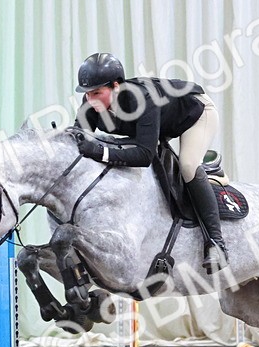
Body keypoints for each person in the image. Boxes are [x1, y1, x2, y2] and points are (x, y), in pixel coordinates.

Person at [72, 52, 227, 273]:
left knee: (188, 165)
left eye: (97, 93)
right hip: (161, 123)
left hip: (196, 113)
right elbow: (79, 140)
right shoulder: (91, 103)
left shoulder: (142, 99)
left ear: (116, 86)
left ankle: (216, 244)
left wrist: (100, 151)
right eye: (87, 94)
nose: (90, 100)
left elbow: (144, 155)